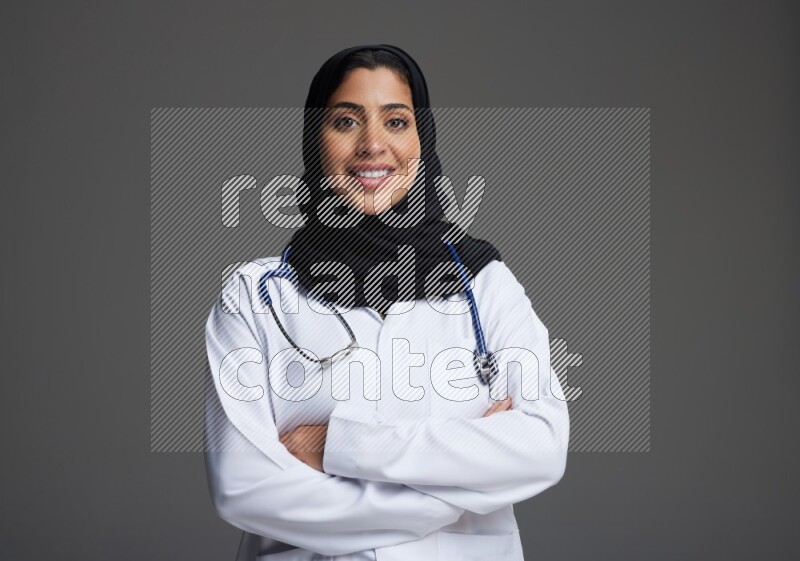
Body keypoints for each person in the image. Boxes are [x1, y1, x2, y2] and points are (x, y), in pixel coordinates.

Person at [204, 44, 569, 561]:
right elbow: (243, 487)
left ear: (423, 139)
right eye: (346, 122)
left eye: (396, 122)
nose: (373, 145)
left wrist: (338, 445)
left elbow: (542, 447)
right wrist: (443, 498)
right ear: (315, 140)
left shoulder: (485, 285)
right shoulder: (255, 297)